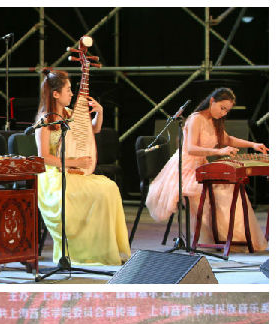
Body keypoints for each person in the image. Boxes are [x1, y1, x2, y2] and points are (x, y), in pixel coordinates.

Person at [146, 87, 268, 251]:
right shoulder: (196, 118)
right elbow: (190, 148)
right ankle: (212, 239)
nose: (223, 113)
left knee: (230, 189)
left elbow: (228, 139)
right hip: (185, 167)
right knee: (208, 195)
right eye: (222, 108)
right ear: (212, 101)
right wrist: (219, 152)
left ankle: (231, 239)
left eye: (227, 111)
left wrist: (253, 144)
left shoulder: (214, 121)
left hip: (202, 166)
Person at [34, 69, 129, 266]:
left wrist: (99, 113)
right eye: (68, 90)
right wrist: (75, 162)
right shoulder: (45, 120)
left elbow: (93, 130)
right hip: (53, 176)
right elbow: (44, 158)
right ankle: (80, 251)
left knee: (109, 188)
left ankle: (102, 250)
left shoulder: (70, 114)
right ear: (55, 94)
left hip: (72, 171)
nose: (71, 94)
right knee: (88, 194)